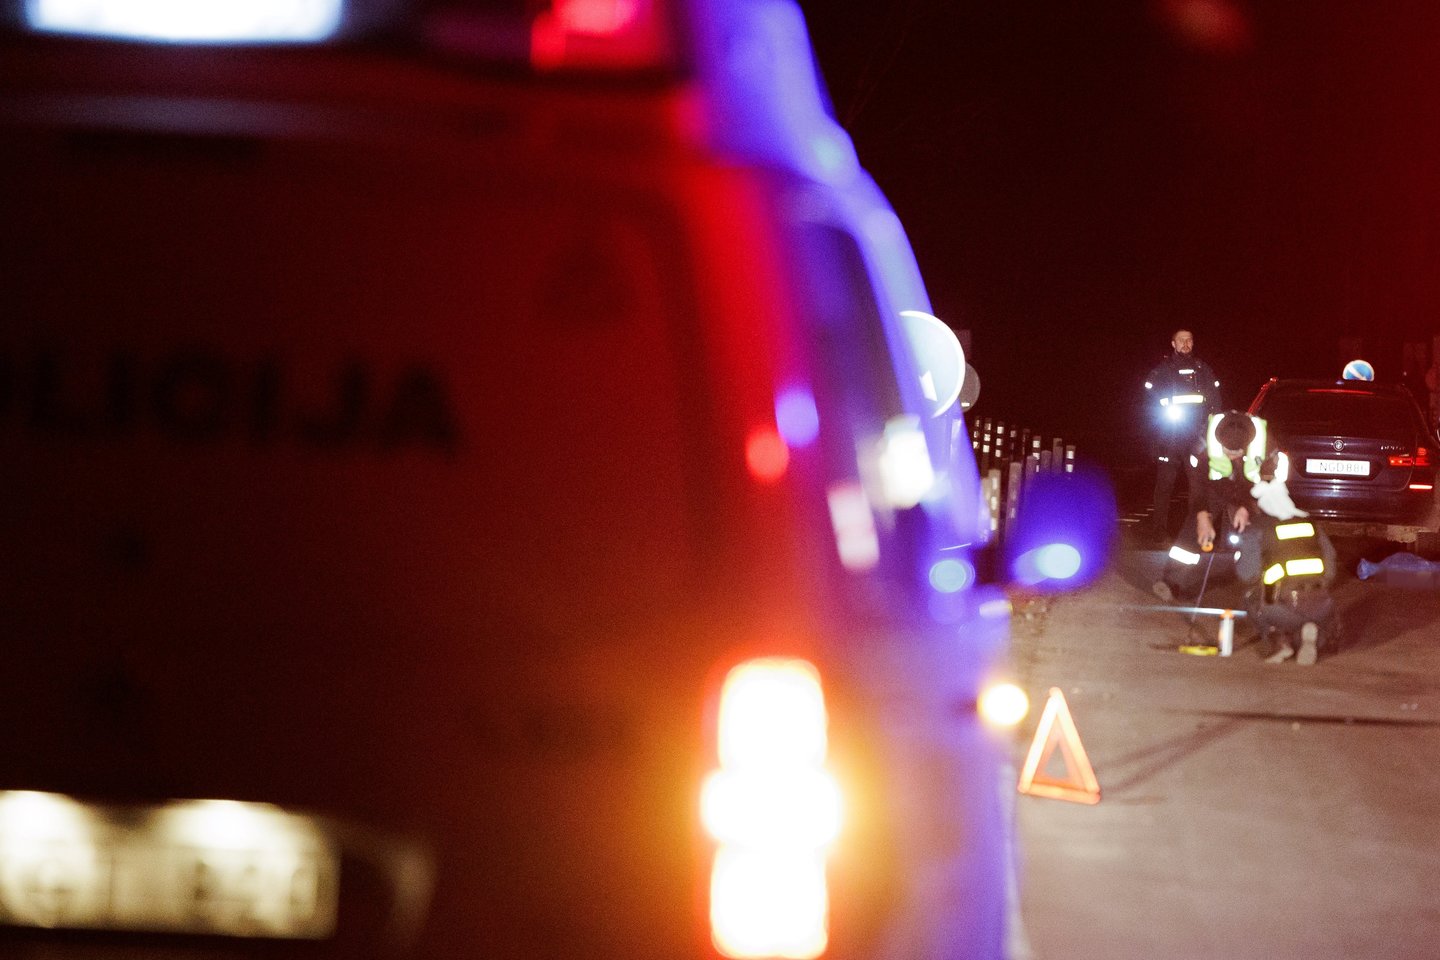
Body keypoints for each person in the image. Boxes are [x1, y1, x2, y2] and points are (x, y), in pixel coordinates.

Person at [1152, 411, 1335, 661]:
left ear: (1247, 445)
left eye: (1237, 453)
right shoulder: (1201, 444)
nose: (1233, 457)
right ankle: (1171, 580)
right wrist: (1203, 516)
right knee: (1195, 526)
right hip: (1214, 485)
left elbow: (1269, 483)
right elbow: (1198, 484)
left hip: (1253, 488)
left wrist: (1245, 506)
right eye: (1228, 452)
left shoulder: (1267, 445)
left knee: (1262, 533)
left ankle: (1268, 589)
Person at [1143, 329, 1220, 544]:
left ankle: (1195, 533)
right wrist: (1155, 433)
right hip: (1170, 437)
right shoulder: (1162, 371)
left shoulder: (1203, 369)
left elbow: (1216, 400)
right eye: (1181, 340)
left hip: (1196, 438)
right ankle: (1158, 531)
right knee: (1165, 485)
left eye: (1189, 340)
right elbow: (1148, 400)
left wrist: (1210, 430)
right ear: (1173, 344)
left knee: (1198, 486)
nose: (1185, 344)